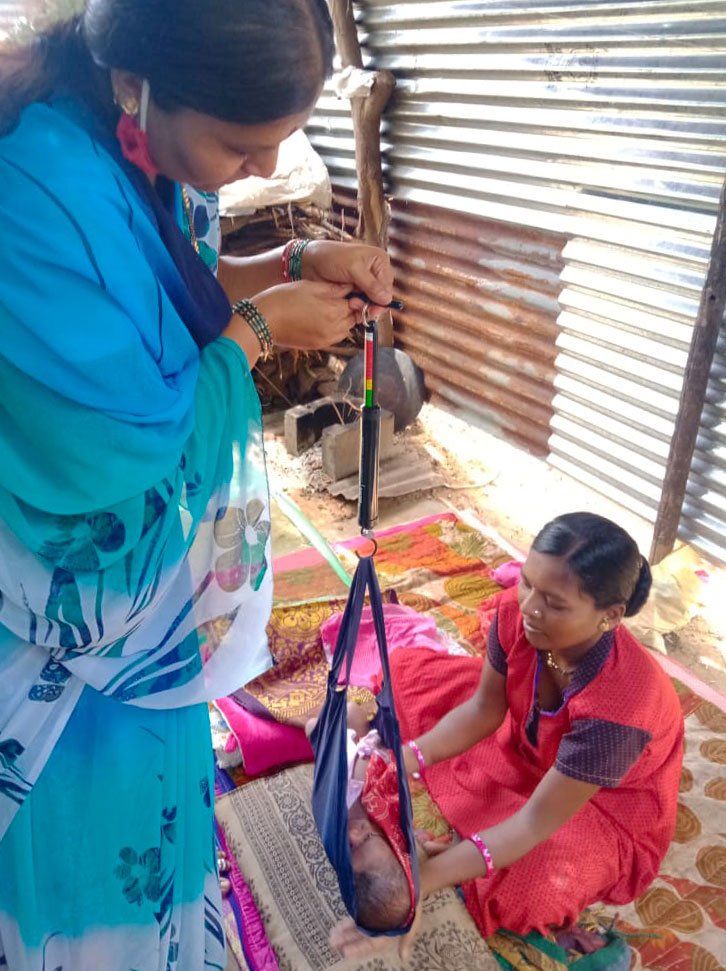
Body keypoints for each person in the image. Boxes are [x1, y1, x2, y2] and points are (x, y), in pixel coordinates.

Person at [0, 2, 396, 969]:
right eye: (240, 144)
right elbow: (117, 440)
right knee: (84, 855)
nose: (264, 169)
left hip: (150, 621)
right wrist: (261, 335)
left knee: (163, 804)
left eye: (278, 142)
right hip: (68, 631)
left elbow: (180, 281)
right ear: (141, 83)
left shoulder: (125, 134)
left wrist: (298, 261)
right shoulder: (33, 194)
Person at [331, 512, 685, 959]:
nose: (531, 607)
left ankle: (470, 847)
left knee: (532, 884)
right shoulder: (516, 615)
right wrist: (403, 758)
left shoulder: (621, 709)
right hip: (525, 740)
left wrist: (421, 883)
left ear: (610, 616)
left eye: (555, 603)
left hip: (603, 803)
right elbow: (483, 710)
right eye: (528, 583)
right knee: (410, 679)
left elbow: (535, 822)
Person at [305, 703, 414, 933]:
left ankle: (330, 728)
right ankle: (349, 729)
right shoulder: (395, 830)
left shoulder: (334, 820)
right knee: (353, 711)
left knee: (313, 727)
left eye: (351, 847)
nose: (357, 832)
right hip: (369, 758)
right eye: (371, 837)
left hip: (341, 773)